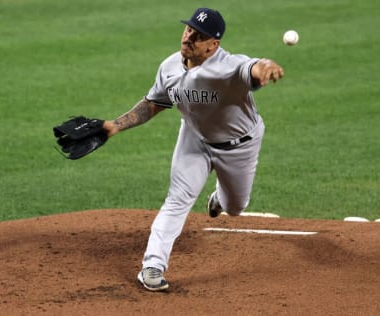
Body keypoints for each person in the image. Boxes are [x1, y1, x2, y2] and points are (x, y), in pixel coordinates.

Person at [103, 7, 284, 291]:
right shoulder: (170, 66)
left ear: (214, 45)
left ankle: (220, 198)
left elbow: (250, 67)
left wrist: (266, 67)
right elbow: (154, 103)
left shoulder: (227, 68)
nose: (189, 37)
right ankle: (152, 266)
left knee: (236, 207)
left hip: (239, 146)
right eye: (188, 30)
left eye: (198, 36)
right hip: (195, 138)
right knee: (178, 198)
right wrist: (115, 125)